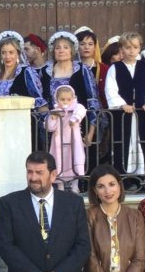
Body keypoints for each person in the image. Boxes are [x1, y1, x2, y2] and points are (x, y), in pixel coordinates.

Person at [0, 151, 90, 272]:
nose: (33, 177)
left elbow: (82, 246)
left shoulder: (73, 203)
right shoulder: (9, 203)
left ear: (53, 175)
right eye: (29, 171)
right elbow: (6, 246)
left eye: (39, 172)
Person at [84, 164, 145, 272]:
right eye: (101, 186)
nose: (108, 191)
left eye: (112, 184)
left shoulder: (135, 216)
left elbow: (140, 259)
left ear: (119, 186)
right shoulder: (88, 216)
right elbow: (90, 257)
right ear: (94, 190)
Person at [39, 32, 100, 169]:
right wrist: (48, 118)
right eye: (58, 48)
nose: (61, 50)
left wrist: (91, 131)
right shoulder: (45, 71)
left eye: (65, 47)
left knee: (79, 161)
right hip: (55, 126)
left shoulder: (82, 70)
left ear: (72, 51)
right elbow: (41, 98)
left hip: (78, 124)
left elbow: (92, 99)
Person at [104, 33, 145, 177]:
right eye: (128, 47)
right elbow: (110, 89)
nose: (131, 51)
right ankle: (124, 177)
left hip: (142, 114)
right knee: (123, 143)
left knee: (143, 142)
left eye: (135, 47)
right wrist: (122, 104)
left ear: (140, 48)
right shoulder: (115, 68)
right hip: (123, 116)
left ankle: (144, 176)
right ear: (122, 49)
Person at [45, 85, 86, 190]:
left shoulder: (76, 107)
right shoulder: (55, 111)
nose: (65, 102)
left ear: (73, 98)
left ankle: (75, 187)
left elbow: (81, 110)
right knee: (60, 162)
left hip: (73, 140)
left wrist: (74, 118)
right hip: (59, 141)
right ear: (57, 99)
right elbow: (50, 128)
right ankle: (60, 187)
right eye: (62, 99)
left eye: (68, 99)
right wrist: (53, 118)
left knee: (75, 160)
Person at [0, 32, 37, 98]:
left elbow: (37, 98)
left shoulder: (26, 72)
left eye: (11, 52)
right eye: (3, 53)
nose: (7, 57)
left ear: (18, 54)